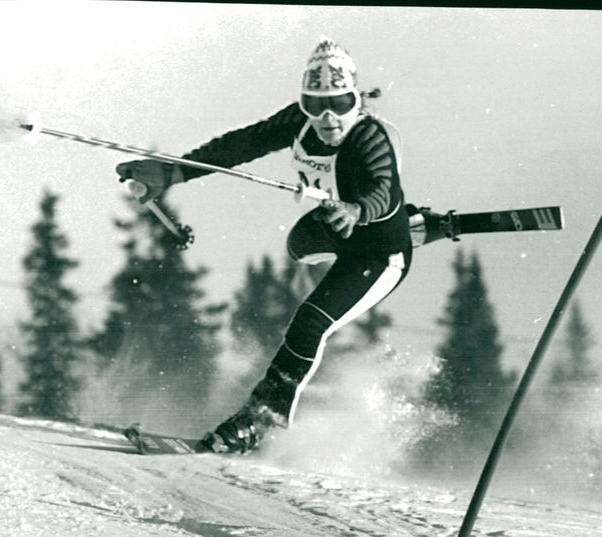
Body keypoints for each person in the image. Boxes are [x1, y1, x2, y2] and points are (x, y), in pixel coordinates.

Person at [116, 38, 447, 453]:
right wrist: (174, 173)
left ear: (356, 101)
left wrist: (357, 211)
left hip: (377, 252)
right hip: (334, 229)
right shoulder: (301, 121)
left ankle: (261, 419)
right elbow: (240, 144)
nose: (327, 117)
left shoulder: (369, 137)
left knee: (311, 321)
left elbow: (383, 190)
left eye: (341, 104)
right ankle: (415, 222)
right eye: (315, 103)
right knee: (298, 245)